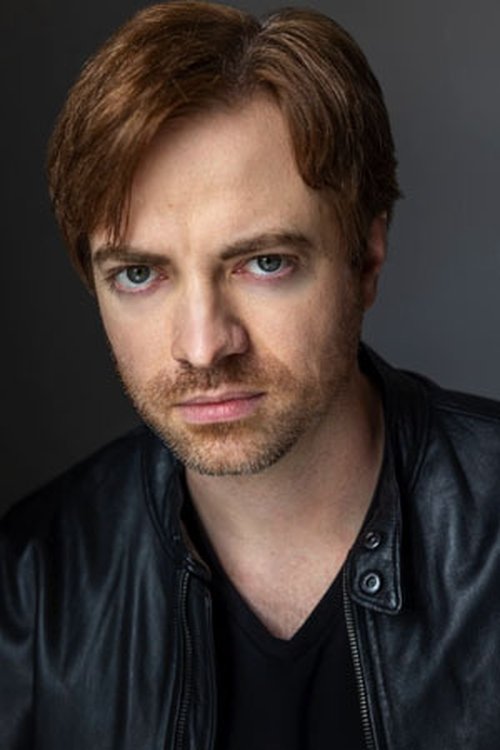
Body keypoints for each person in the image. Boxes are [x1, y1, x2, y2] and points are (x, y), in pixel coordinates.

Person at [1, 1, 500, 747]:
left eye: (265, 263)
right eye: (139, 274)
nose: (204, 347)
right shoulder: (34, 584)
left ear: (366, 258)